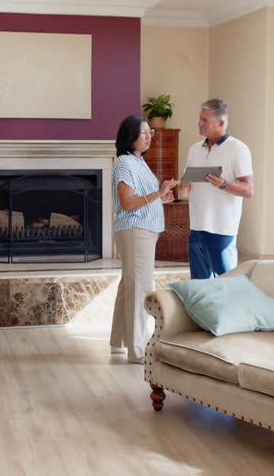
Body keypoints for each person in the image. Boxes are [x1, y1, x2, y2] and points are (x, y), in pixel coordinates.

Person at [111, 115, 178, 364]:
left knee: (129, 286)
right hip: (135, 231)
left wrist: (162, 197)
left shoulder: (139, 161)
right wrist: (158, 192)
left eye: (151, 132)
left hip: (143, 231)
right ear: (130, 137)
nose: (149, 136)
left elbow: (143, 198)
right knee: (140, 289)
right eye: (144, 132)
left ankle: (120, 341)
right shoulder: (124, 163)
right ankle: (138, 350)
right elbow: (128, 203)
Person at [179, 99, 254, 279]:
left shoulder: (238, 149)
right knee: (199, 286)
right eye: (200, 118)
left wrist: (223, 184)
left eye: (205, 120)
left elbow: (249, 190)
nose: (199, 123)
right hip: (196, 229)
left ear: (221, 123)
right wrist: (183, 185)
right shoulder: (194, 150)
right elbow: (185, 192)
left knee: (225, 286)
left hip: (222, 231)